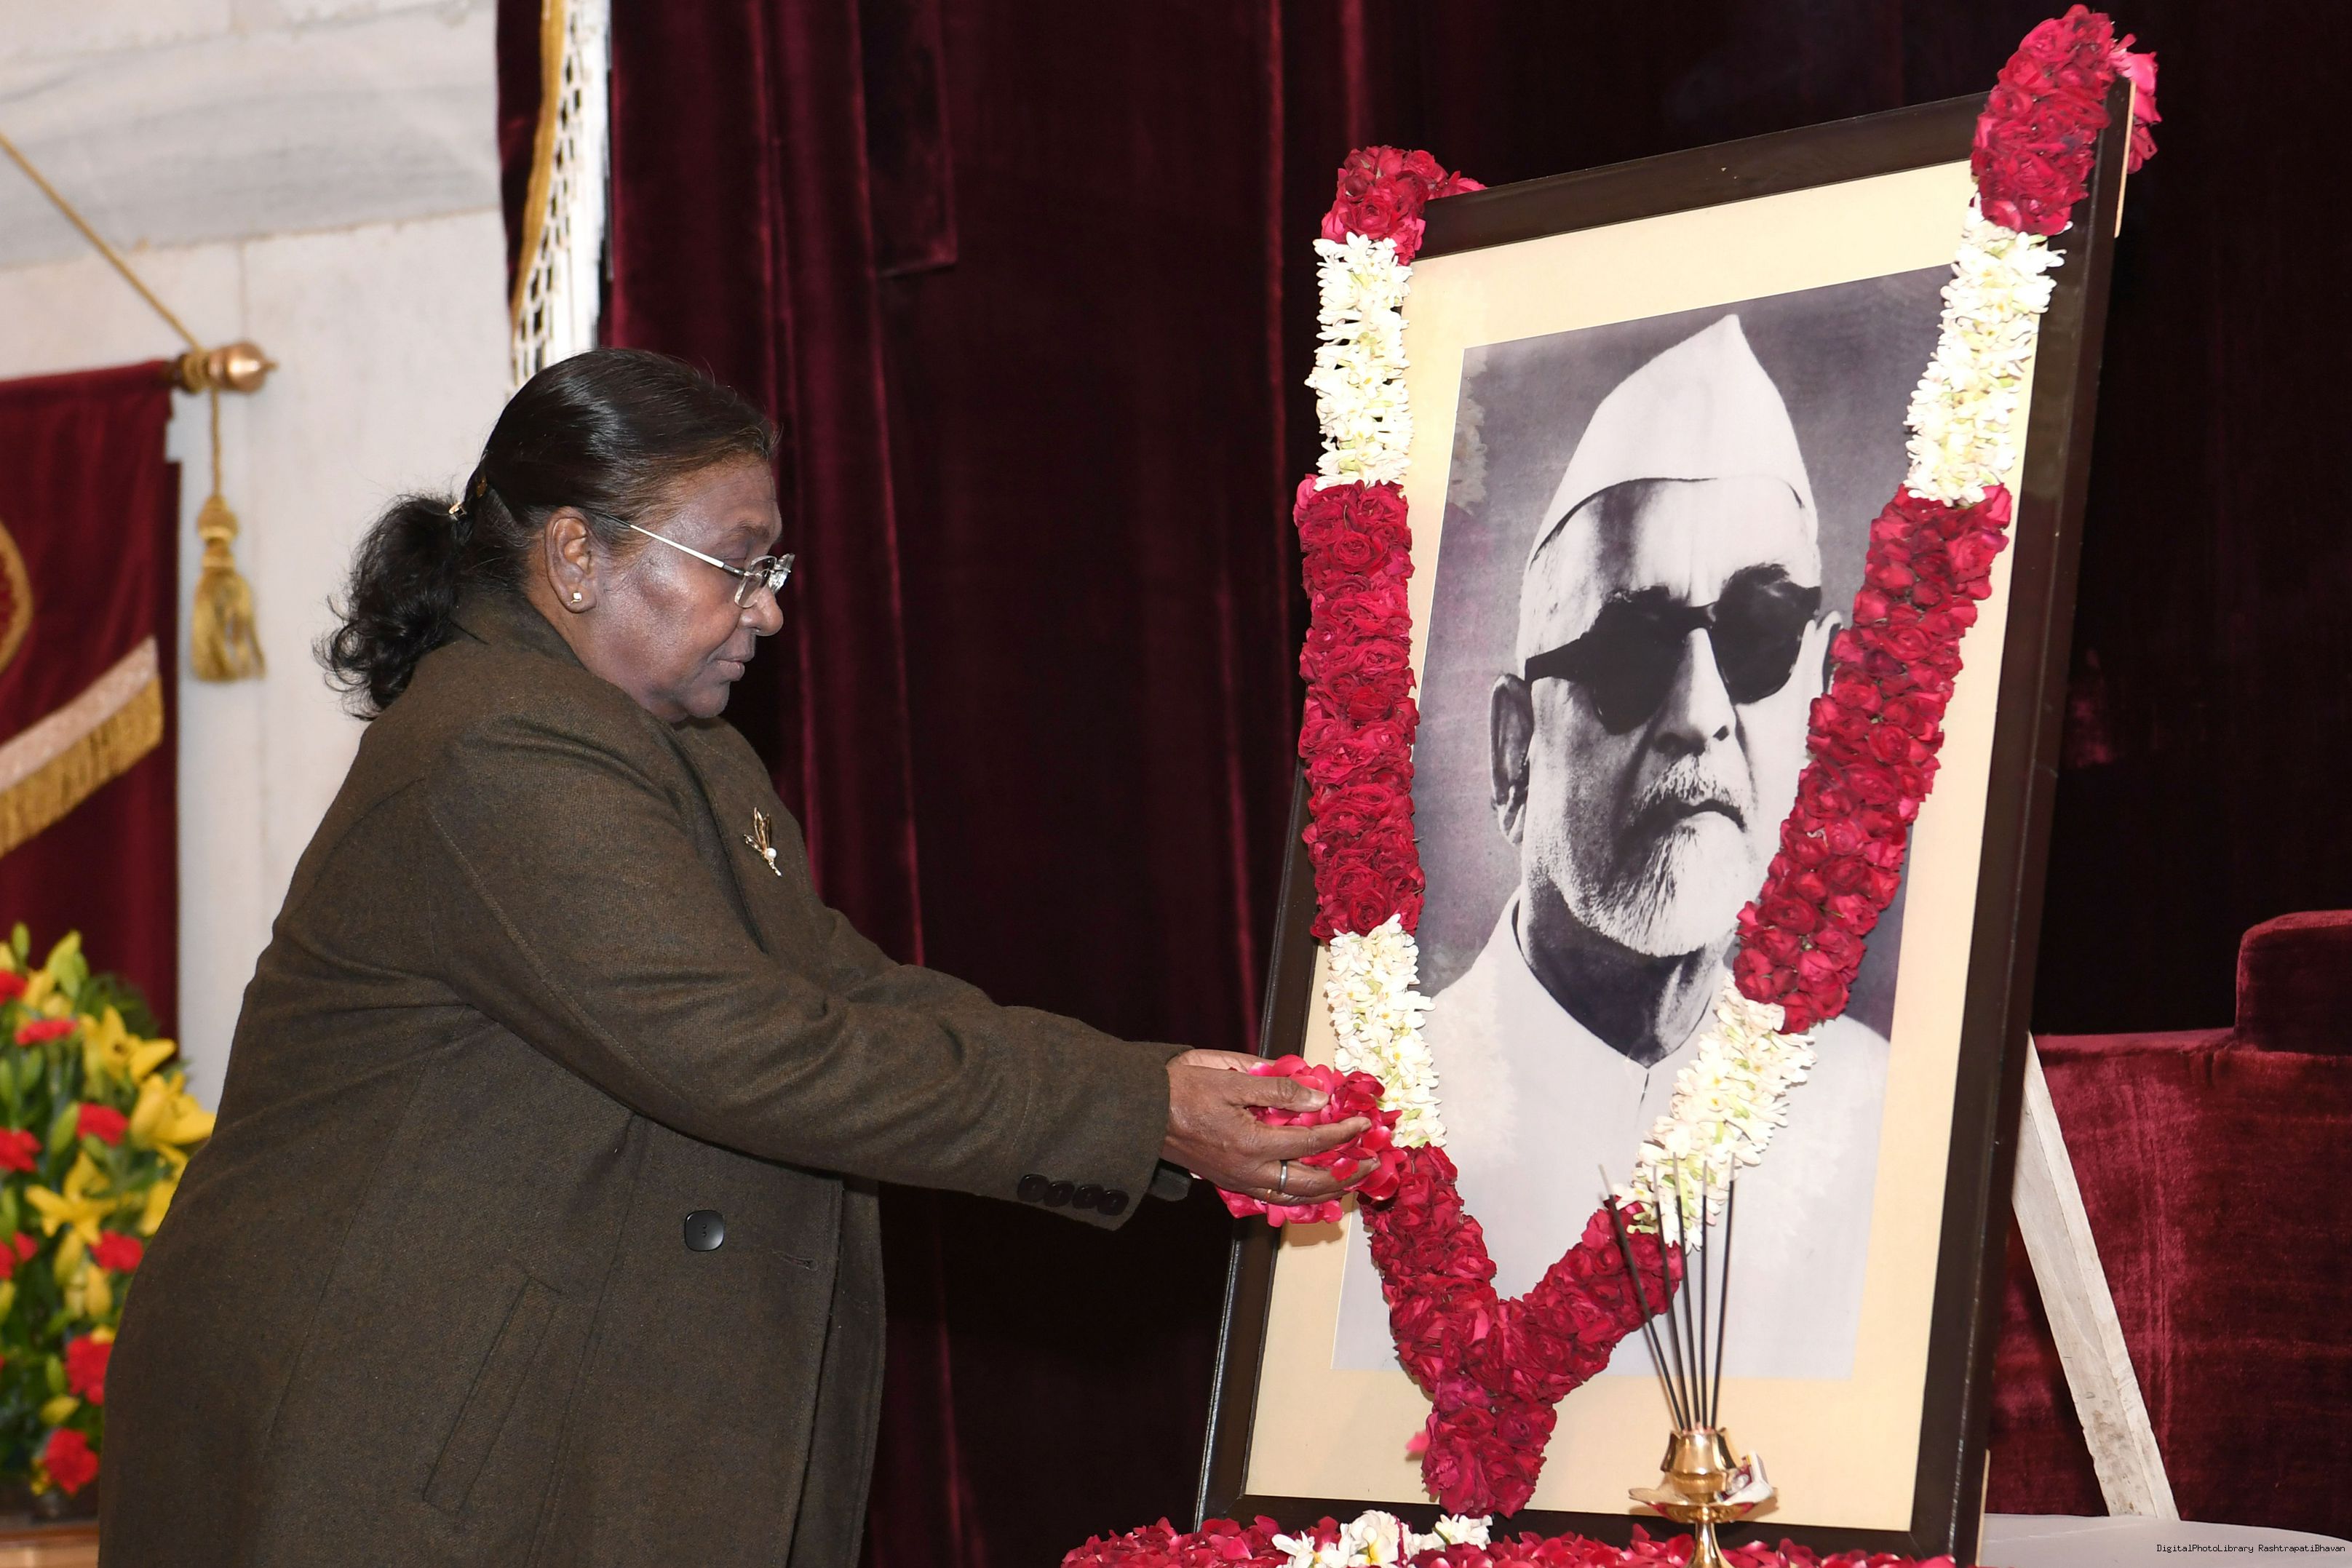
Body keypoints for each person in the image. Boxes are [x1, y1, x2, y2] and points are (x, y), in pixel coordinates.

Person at [101, 350, 1367, 1567]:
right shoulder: (497, 744)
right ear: (577, 556)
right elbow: (746, 1050)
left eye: (774, 567)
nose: (768, 609)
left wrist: (1153, 1087)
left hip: (523, 1420)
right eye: (736, 565)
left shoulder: (679, 747)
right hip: (391, 1432)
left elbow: (841, 990)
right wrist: (1136, 1109)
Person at [1337, 316, 1888, 1379]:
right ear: (1515, 752)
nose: (1700, 714)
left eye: (1758, 641)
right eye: (1630, 650)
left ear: (1822, 703)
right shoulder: (1380, 1127)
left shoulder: (1878, 1114)